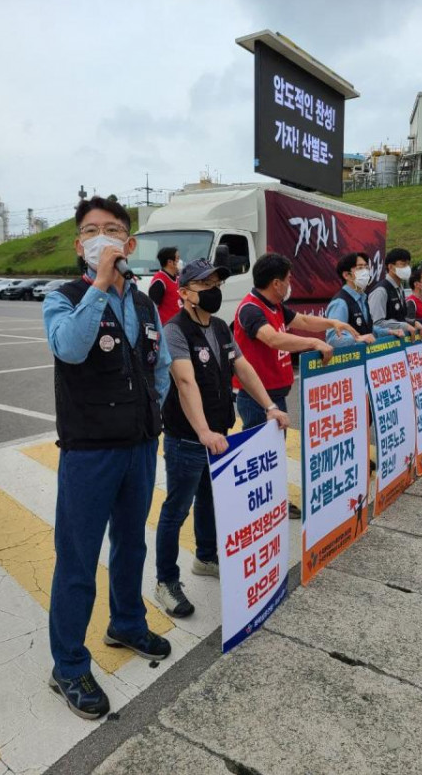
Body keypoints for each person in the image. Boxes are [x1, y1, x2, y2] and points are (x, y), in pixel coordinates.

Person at [43, 196, 172, 720]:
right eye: (92, 231)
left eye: (113, 229)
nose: (103, 237)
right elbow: (70, 348)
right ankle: (68, 665)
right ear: (81, 245)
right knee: (77, 559)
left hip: (139, 446)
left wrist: (150, 415)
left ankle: (126, 622)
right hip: (89, 452)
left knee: (130, 543)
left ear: (129, 243)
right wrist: (99, 284)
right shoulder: (63, 297)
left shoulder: (143, 303)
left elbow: (159, 363)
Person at [155, 258, 289, 618]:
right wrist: (202, 432)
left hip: (219, 435)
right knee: (176, 509)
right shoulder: (174, 331)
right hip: (187, 438)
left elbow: (241, 367)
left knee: (210, 497)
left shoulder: (219, 327)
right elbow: (184, 381)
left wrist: (269, 406)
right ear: (184, 293)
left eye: (216, 283)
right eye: (205, 285)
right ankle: (166, 580)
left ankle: (205, 557)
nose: (213, 290)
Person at [233, 253, 358, 518]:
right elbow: (273, 339)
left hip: (275, 394)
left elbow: (301, 321)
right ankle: (257, 509)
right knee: (260, 456)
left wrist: (332, 322)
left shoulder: (276, 306)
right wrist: (313, 343)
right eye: (288, 279)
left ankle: (272, 503)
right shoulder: (251, 308)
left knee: (272, 453)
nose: (290, 284)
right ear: (276, 283)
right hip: (258, 397)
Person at [368, 247, 422, 338]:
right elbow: (376, 323)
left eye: (408, 264)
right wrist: (404, 326)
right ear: (390, 267)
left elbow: (400, 316)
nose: (407, 268)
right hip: (383, 344)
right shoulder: (381, 291)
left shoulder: (400, 288)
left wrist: (412, 322)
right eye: (403, 264)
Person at [148, 246, 181, 325]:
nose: (180, 261)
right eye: (177, 258)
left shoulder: (178, 278)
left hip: (179, 325)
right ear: (170, 262)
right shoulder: (159, 281)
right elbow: (152, 309)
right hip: (166, 327)